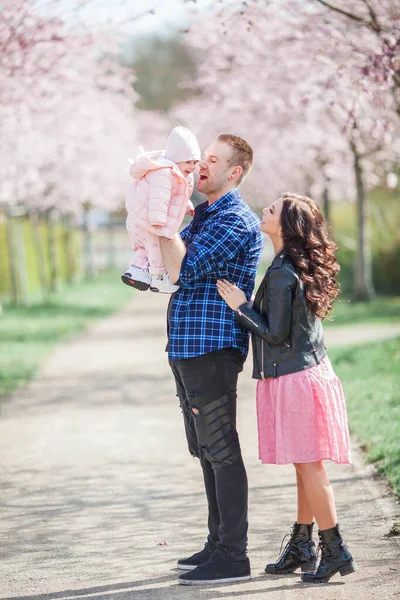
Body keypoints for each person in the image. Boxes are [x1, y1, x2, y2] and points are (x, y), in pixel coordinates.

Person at [217, 192, 358, 584]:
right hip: (306, 374)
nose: (265, 209)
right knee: (304, 464)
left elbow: (275, 335)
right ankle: (302, 544)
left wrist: (241, 307)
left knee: (310, 467)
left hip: (296, 379)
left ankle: (335, 550)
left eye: (273, 209)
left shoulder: (282, 272)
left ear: (287, 226)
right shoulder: (288, 264)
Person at [159, 134, 264, 585]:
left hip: (212, 347)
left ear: (234, 172)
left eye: (213, 161)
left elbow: (181, 267)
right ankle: (216, 543)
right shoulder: (205, 214)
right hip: (188, 345)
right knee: (205, 450)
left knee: (221, 451)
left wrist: (163, 218)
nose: (201, 165)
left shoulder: (235, 219)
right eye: (202, 158)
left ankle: (233, 556)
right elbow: (166, 265)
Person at [122, 126, 200, 294]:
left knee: (145, 249)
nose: (193, 166)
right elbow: (159, 197)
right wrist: (158, 220)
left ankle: (136, 271)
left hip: (139, 220)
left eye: (195, 162)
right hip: (150, 222)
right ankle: (159, 278)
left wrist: (187, 206)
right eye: (188, 162)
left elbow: (174, 199)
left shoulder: (176, 174)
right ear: (176, 158)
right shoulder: (165, 173)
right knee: (157, 249)